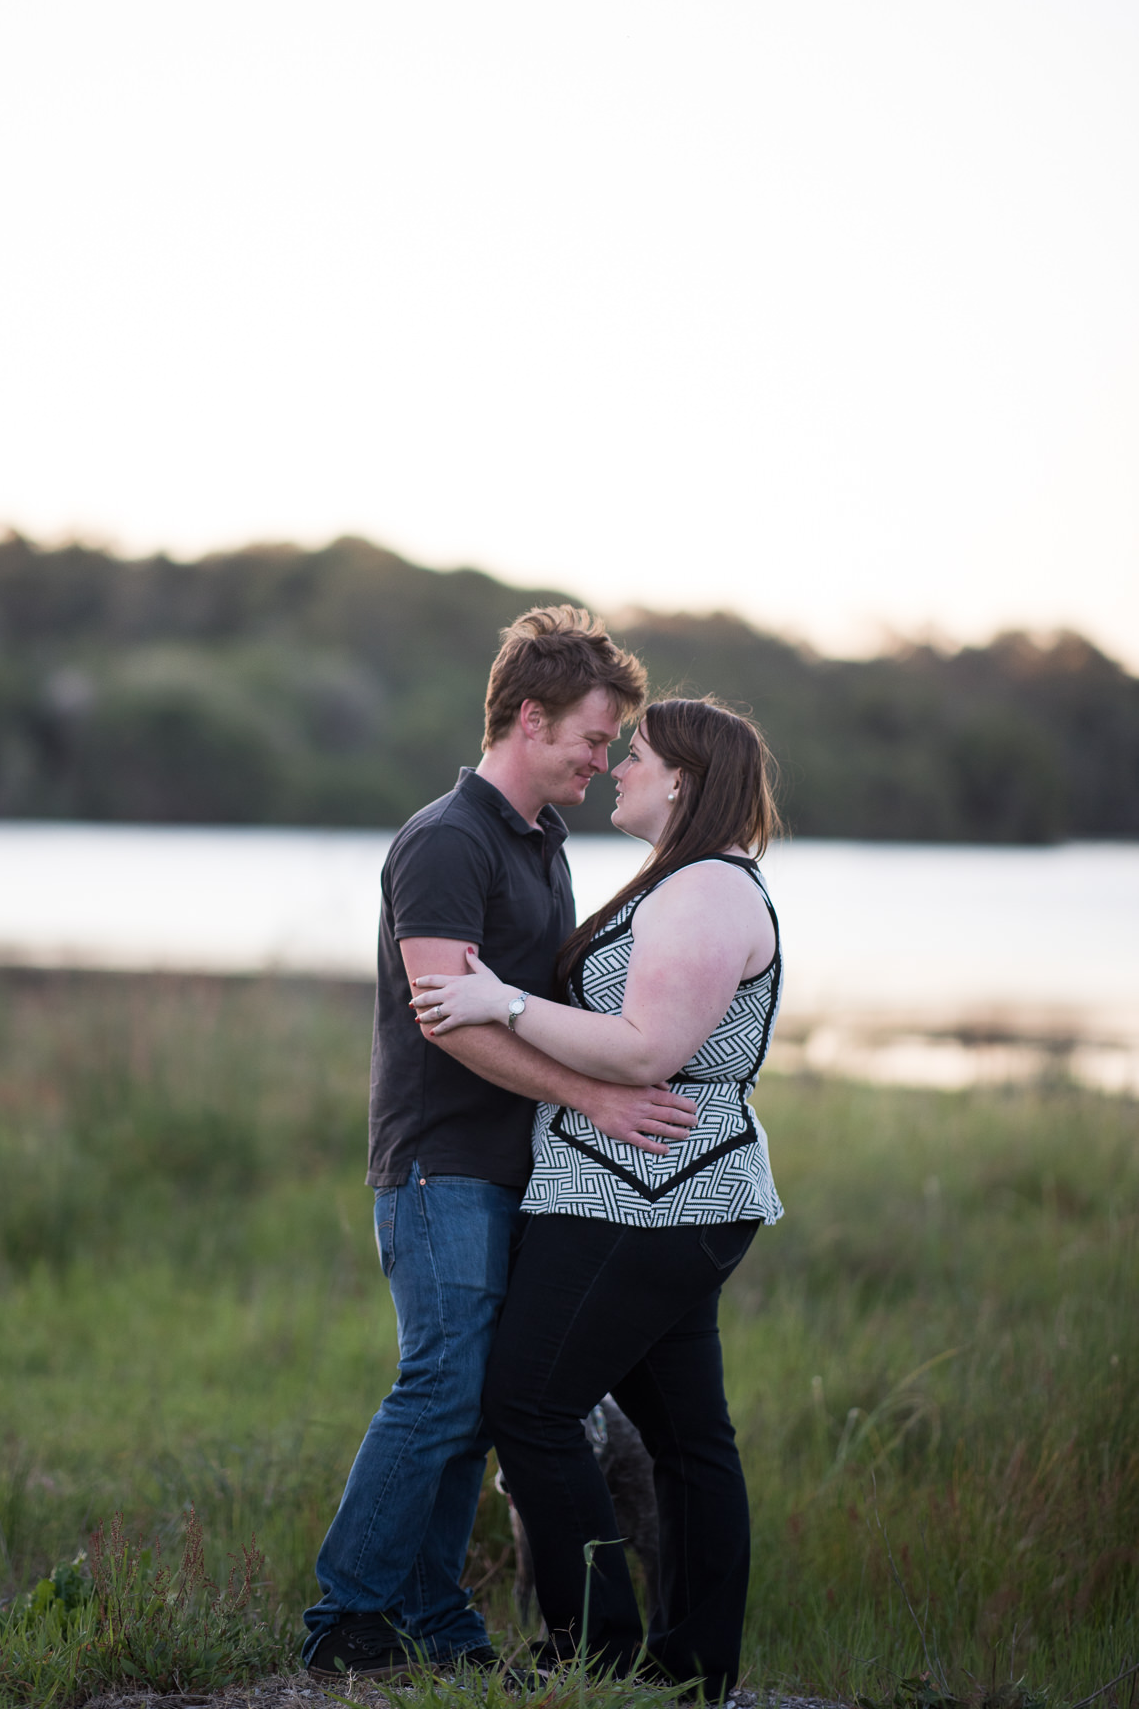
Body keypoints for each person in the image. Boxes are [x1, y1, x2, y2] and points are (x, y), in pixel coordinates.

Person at [301, 609, 700, 1679]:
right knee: (440, 1385)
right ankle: (344, 1614)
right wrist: (596, 1098)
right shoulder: (445, 837)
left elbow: (531, 1001)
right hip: (439, 1163)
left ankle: (436, 1621)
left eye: (614, 742)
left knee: (475, 1402)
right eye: (591, 733)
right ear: (530, 717)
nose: (602, 755)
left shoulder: (542, 844)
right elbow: (452, 1017)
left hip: (511, 1168)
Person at [413, 697, 783, 1703]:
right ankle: (688, 1668)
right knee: (683, 1434)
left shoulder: (706, 888)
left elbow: (648, 1050)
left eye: (639, 753)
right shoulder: (678, 881)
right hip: (635, 1191)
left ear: (685, 780)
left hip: (651, 1195)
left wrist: (504, 1002)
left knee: (527, 1404)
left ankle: (602, 1652)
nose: (618, 765)